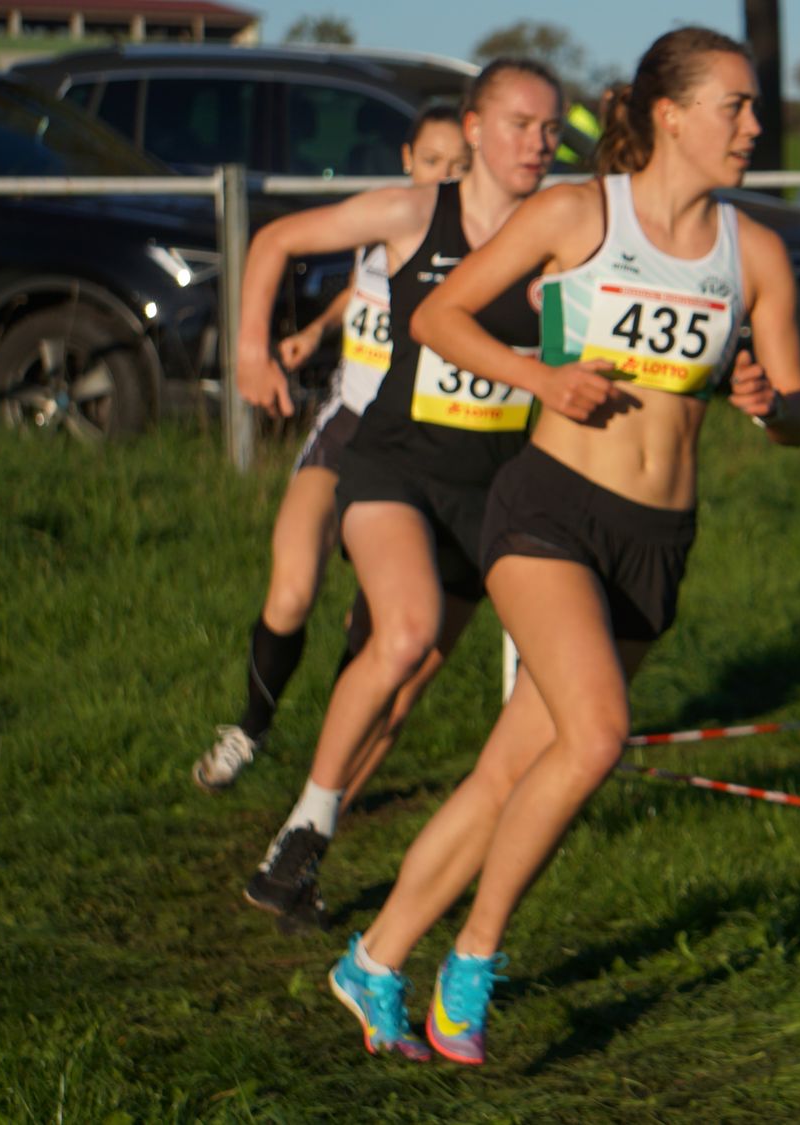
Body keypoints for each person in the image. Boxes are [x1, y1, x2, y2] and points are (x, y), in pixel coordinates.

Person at [321, 27, 800, 1065]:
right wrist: (540, 378)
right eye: (735, 106)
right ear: (671, 115)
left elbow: (798, 415)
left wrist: (771, 406)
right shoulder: (578, 214)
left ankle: (373, 957)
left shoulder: (755, 253)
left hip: (656, 539)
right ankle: (473, 962)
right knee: (595, 737)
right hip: (548, 510)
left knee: (511, 770)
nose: (754, 127)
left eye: (754, 108)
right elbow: (438, 317)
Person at [237, 59, 566, 944]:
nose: (538, 143)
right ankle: (308, 818)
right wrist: (251, 351)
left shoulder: (564, 231)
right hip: (393, 464)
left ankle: (300, 847)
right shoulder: (415, 212)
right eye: (520, 124)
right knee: (406, 628)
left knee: (406, 681)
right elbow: (273, 242)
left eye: (551, 129)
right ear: (475, 128)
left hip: (492, 489)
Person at [194, 105, 470, 796]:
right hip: (346, 429)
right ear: (406, 158)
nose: (445, 177)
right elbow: (357, 288)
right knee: (290, 591)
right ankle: (250, 728)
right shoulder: (384, 219)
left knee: (375, 631)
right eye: (433, 162)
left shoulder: (482, 242)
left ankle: (321, 789)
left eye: (460, 166)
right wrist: (312, 332)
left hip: (423, 445)